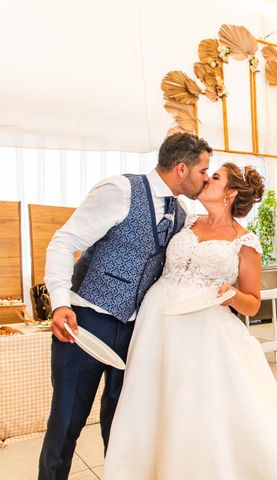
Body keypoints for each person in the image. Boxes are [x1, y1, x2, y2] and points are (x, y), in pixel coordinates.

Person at [104, 163, 277, 479]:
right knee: (148, 401)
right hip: (155, 323)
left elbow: (252, 303)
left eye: (215, 178)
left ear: (230, 193)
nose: (206, 180)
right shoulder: (186, 221)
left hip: (201, 331)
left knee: (191, 406)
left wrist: (231, 296)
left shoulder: (246, 242)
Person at [39, 133, 211, 480]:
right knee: (66, 424)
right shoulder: (120, 190)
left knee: (122, 428)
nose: (206, 178)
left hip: (136, 332)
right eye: (204, 170)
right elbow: (63, 241)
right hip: (86, 323)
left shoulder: (179, 213)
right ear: (181, 169)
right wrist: (59, 304)